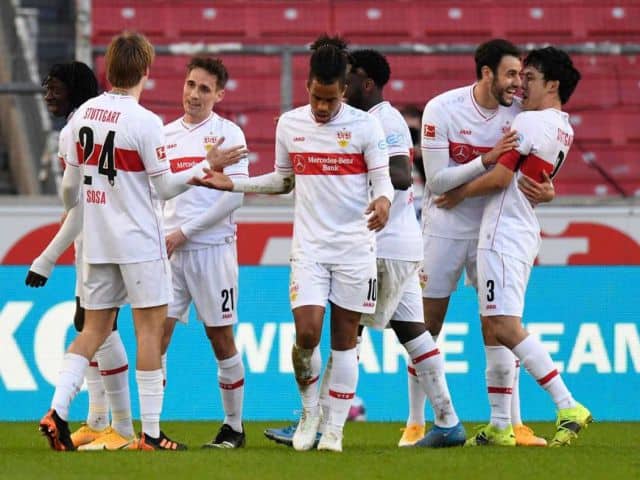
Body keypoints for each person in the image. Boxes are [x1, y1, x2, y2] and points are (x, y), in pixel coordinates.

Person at [38, 32, 247, 452]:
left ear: (108, 68)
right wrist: (204, 167)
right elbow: (166, 189)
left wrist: (77, 207)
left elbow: (67, 189)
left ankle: (58, 411)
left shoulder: (84, 117)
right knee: (149, 333)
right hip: (140, 245)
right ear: (146, 73)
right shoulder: (148, 123)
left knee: (91, 330)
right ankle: (149, 434)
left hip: (97, 244)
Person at [191, 34, 394, 453]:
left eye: (331, 99)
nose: (322, 107)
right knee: (307, 333)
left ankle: (334, 429)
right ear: (307, 87)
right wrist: (237, 184)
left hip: (356, 247)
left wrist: (383, 201)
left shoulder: (365, 127)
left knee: (345, 342)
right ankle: (308, 412)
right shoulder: (291, 124)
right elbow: (284, 180)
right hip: (310, 249)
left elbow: (384, 182)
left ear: (343, 90)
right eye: (316, 98)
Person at [264, 48, 465, 449]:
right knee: (413, 332)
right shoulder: (357, 120)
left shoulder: (381, 120)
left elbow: (403, 174)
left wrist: (346, 160)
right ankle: (447, 420)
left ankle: (319, 425)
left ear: (365, 83)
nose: (344, 82)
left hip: (379, 242)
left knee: (345, 333)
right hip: (393, 242)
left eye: (350, 76)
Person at [436, 46, 590, 447]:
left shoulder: (530, 121)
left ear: (553, 85)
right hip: (521, 230)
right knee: (493, 323)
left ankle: (567, 404)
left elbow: (502, 179)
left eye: (532, 78)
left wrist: (458, 192)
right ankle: (502, 425)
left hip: (502, 233)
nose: (522, 86)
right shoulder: (562, 127)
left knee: (504, 325)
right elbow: (532, 179)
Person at [414, 38, 553, 447]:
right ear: (486, 73)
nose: (517, 84)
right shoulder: (443, 108)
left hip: (494, 229)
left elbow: (541, 171)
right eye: (510, 74)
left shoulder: (522, 115)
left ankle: (510, 423)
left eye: (521, 75)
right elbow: (437, 181)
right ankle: (416, 419)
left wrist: (551, 193)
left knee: (499, 323)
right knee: (428, 324)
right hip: (443, 224)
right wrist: (487, 157)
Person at [26, 61, 134, 451]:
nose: (48, 95)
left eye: (54, 88)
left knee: (99, 326)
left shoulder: (76, 130)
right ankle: (101, 419)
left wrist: (47, 257)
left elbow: (81, 205)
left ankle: (119, 428)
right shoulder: (84, 125)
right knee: (92, 324)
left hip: (109, 239)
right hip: (101, 238)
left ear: (74, 89)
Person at [160, 56, 249, 448]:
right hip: (170, 253)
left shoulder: (230, 135)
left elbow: (236, 197)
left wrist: (186, 231)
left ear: (219, 95)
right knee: (155, 337)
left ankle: (234, 426)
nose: (194, 94)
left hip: (212, 250)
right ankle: (150, 427)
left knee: (220, 338)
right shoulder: (163, 136)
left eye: (204, 89)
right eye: (190, 85)